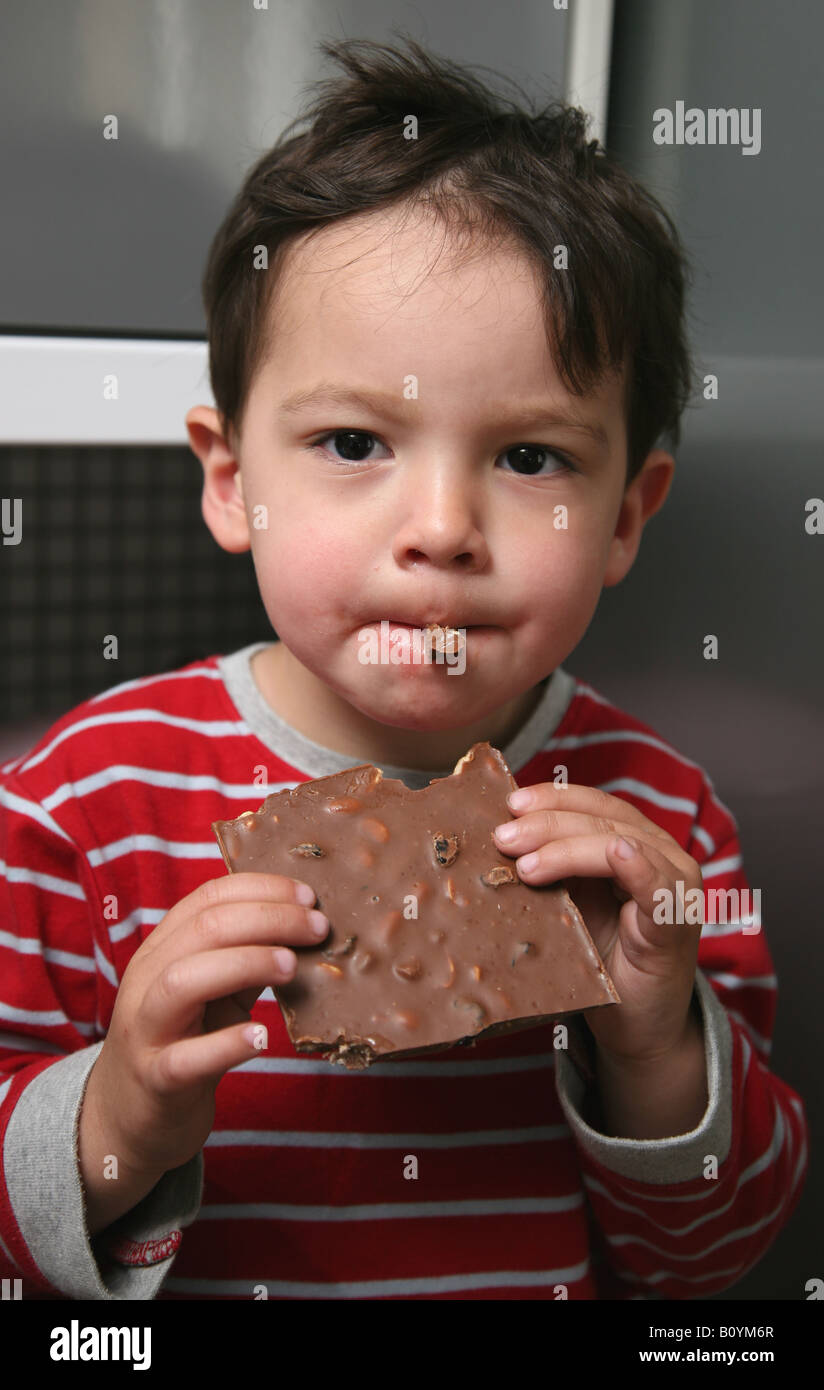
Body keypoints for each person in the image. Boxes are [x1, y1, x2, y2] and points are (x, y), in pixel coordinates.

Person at [0, 37, 807, 1300]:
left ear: (624, 518)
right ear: (230, 479)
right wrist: (116, 1123)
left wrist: (652, 1038)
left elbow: (712, 1253)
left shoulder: (662, 832)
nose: (439, 527)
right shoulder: (73, 808)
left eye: (530, 458)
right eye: (352, 439)